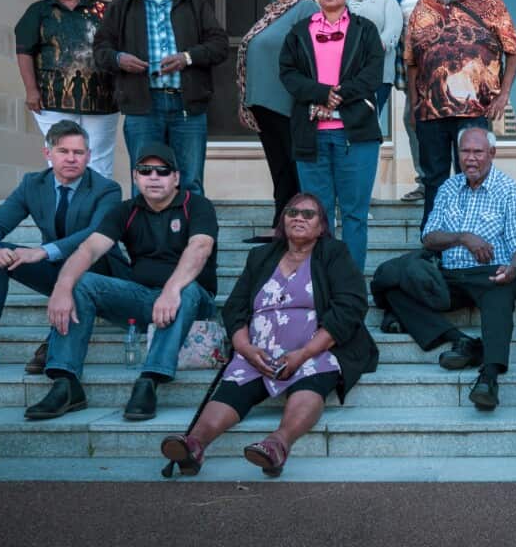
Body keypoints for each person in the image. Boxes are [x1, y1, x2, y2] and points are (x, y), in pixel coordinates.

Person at [159, 192, 378, 478]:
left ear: (321, 227)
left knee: (310, 384)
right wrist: (245, 348)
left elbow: (350, 306)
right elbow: (235, 306)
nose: (299, 217)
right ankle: (194, 444)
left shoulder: (333, 254)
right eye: (291, 212)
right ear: (282, 220)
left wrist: (304, 353)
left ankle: (277, 445)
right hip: (257, 352)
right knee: (233, 387)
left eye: (308, 214)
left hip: (315, 350)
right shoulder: (261, 256)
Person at [26, 141, 218, 421]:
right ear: (135, 176)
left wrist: (171, 289)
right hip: (142, 299)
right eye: (146, 170)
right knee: (83, 283)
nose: (154, 177)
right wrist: (62, 288)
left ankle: (149, 380)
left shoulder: (197, 206)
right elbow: (89, 249)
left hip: (192, 301)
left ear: (176, 178)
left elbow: (199, 248)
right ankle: (66, 382)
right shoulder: (125, 210)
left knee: (186, 290)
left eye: (163, 171)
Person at [0, 121, 126, 375]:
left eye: (78, 153)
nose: (71, 159)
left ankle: (57, 340)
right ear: (48, 154)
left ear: (88, 156)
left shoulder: (106, 189)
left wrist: (44, 250)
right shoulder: (33, 184)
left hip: (100, 274)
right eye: (63, 151)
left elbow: (95, 233)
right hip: (55, 269)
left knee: (84, 262)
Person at [379, 128, 516, 410]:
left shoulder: (511, 191)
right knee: (394, 286)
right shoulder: (449, 188)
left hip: (493, 274)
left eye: (478, 152)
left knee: (499, 292)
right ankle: (464, 342)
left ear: (492, 154)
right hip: (450, 276)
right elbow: (429, 237)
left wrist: (512, 270)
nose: (470, 159)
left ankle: (489, 376)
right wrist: (463, 237)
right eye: (465, 152)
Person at [92, 0, 230, 195]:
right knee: (145, 181)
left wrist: (187, 57)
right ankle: (145, 238)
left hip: (187, 105)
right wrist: (119, 59)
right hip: (142, 106)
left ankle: (192, 237)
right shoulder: (120, 7)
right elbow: (100, 50)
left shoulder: (195, 3)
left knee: (189, 182)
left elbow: (219, 45)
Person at [403, 0, 516, 227]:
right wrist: (415, 102)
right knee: (434, 179)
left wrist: (504, 94)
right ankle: (432, 240)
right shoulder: (423, 5)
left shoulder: (489, 0)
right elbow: (411, 61)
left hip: (475, 110)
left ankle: (472, 233)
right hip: (431, 111)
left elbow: (514, 49)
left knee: (473, 175)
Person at [279, 0, 384, 273]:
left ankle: (349, 283)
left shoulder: (365, 30)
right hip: (312, 137)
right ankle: (321, 281)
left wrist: (340, 94)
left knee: (354, 214)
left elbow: (373, 73)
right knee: (317, 215)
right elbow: (288, 74)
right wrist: (322, 92)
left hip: (357, 137)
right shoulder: (299, 32)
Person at [234, 0, 319, 237]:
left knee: (292, 166)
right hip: (263, 104)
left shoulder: (305, 7)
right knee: (279, 166)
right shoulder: (273, 12)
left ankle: (295, 223)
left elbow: (310, 53)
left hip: (287, 103)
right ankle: (281, 223)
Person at [15, 0, 117, 179]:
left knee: (98, 158)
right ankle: (65, 208)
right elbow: (24, 51)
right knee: (63, 158)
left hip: (102, 98)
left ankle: (98, 210)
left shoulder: (103, 9)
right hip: (54, 98)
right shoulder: (38, 11)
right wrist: (31, 90)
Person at [393, 0, 436, 202]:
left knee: (452, 126)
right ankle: (425, 180)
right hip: (414, 69)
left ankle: (457, 180)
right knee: (413, 122)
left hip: (448, 68)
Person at [342, 0, 403, 115]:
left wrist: (370, 51)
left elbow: (393, 29)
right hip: (340, 75)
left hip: (377, 75)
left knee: (367, 122)